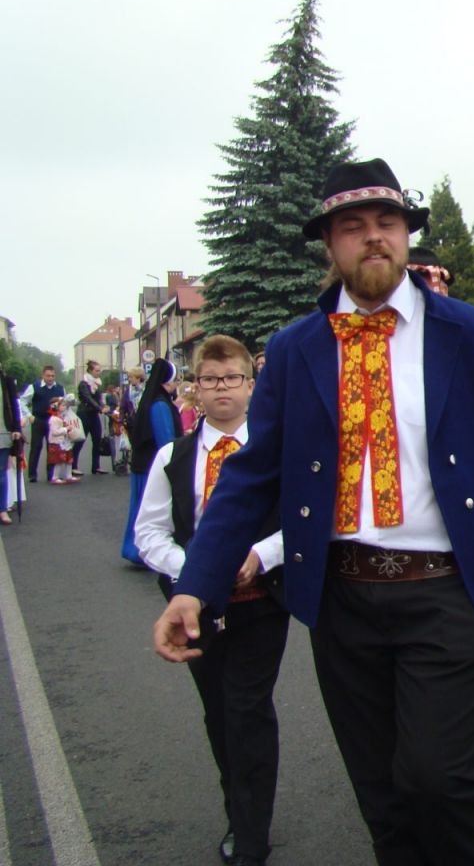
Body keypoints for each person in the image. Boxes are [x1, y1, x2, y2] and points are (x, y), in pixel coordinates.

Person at [152, 158, 474, 866]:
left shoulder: (472, 334)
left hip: (446, 590)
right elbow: (251, 477)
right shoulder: (297, 347)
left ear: (404, 235)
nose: (373, 237)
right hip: (341, 596)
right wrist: (195, 585)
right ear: (330, 245)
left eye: (387, 222)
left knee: (439, 778)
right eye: (353, 226)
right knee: (381, 791)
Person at [135, 335, 289, 866]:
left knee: (248, 709)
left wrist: (263, 554)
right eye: (209, 379)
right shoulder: (172, 458)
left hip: (261, 602)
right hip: (197, 609)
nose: (221, 389)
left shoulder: (273, 452)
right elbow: (150, 534)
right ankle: (236, 807)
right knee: (219, 714)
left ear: (251, 384)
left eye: (232, 379)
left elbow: (301, 520)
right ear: (194, 389)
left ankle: (251, 834)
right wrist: (198, 573)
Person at [122, 360, 183, 564]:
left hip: (144, 464)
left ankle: (137, 550)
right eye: (175, 380)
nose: (176, 384)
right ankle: (139, 550)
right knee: (147, 511)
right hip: (150, 467)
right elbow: (166, 440)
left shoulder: (155, 400)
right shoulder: (159, 404)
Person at [27, 365, 65, 483]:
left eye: (53, 376)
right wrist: (29, 416)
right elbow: (22, 402)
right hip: (38, 420)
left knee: (52, 448)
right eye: (48, 376)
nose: (50, 378)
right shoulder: (34, 387)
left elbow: (64, 405)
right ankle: (32, 474)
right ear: (43, 375)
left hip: (53, 421)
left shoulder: (60, 388)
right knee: (36, 447)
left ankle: (51, 474)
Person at [75, 360, 108, 475]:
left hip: (93, 414)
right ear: (90, 370)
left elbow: (98, 398)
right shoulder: (84, 383)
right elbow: (87, 398)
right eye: (97, 370)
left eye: (99, 370)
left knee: (97, 440)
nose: (99, 372)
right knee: (80, 439)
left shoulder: (96, 383)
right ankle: (74, 466)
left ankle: (96, 466)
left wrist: (103, 406)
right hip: (84, 414)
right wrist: (100, 408)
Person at [1, 367, 23, 524]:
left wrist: (16, 428)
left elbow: (14, 406)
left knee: (1, 475)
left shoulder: (6, 380)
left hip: (2, 432)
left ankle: (2, 509)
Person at [46, 397, 79, 485]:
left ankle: (68, 475)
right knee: (59, 461)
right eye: (63, 405)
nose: (64, 407)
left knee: (69, 459)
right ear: (56, 407)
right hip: (57, 442)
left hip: (65, 442)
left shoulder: (61, 417)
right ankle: (55, 477)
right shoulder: (53, 419)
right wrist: (65, 429)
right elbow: (54, 432)